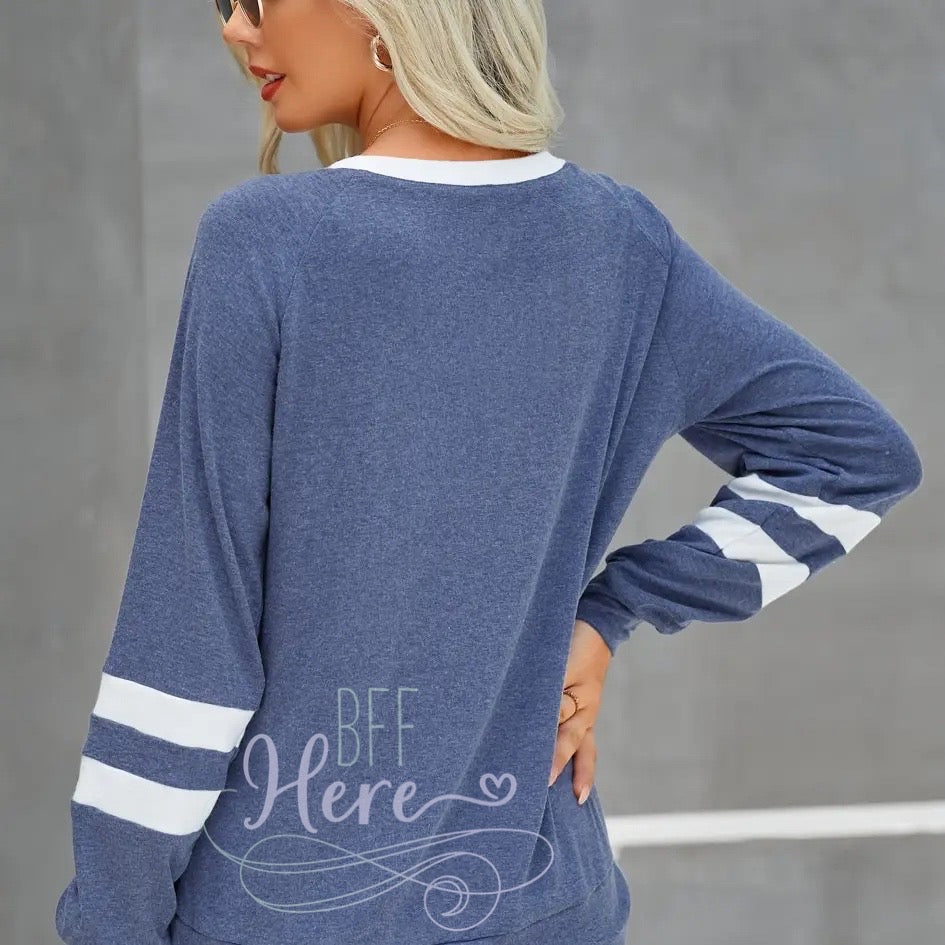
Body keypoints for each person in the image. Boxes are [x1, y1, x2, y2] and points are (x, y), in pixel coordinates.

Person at [53, 2, 924, 945]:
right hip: (544, 903)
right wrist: (609, 616)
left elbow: (190, 637)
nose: (234, 29)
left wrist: (112, 920)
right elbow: (850, 461)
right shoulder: (619, 243)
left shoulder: (267, 242)